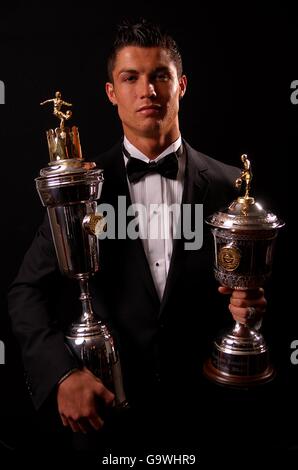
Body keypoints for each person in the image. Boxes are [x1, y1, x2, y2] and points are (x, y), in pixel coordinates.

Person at [8, 19, 268, 458]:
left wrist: (256, 310)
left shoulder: (231, 187)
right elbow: (25, 292)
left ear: (180, 85)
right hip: (108, 423)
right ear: (112, 92)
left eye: (160, 75)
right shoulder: (79, 188)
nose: (147, 90)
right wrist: (62, 375)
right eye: (131, 77)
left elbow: (260, 292)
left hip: (212, 421)